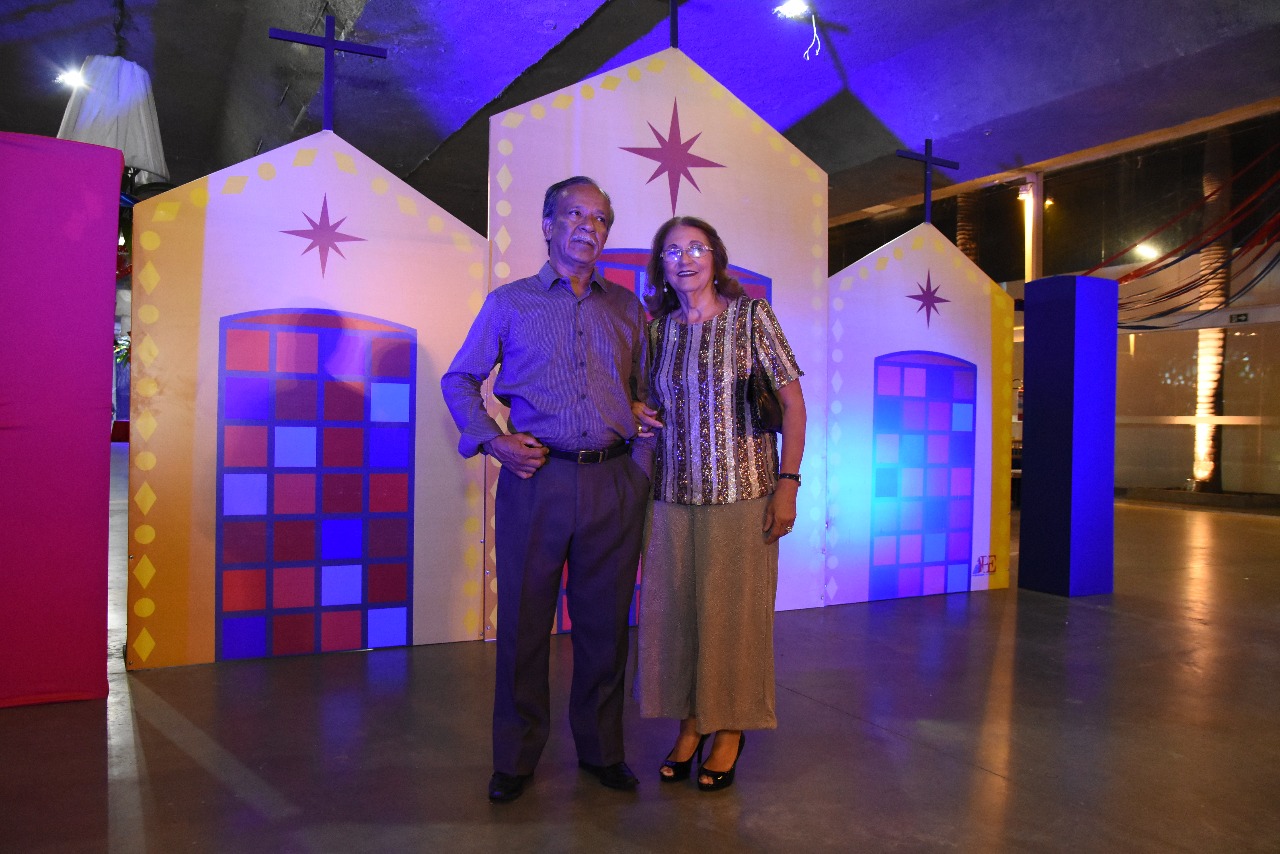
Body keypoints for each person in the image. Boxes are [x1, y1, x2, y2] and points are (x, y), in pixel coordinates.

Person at [441, 177, 652, 803]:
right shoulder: (509, 304)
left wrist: (639, 453)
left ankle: (602, 751)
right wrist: (493, 440)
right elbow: (460, 378)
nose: (589, 226)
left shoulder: (627, 308)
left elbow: (640, 391)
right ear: (547, 223)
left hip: (614, 483)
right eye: (575, 214)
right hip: (538, 480)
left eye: (601, 218)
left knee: (606, 627)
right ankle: (515, 758)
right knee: (525, 625)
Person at [633, 215, 806, 792]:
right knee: (676, 617)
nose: (685, 259)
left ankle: (729, 729)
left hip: (744, 494)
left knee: (735, 618)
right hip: (671, 497)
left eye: (696, 248)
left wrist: (788, 484)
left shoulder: (752, 317)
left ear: (716, 258)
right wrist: (635, 410)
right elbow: (645, 403)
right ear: (661, 266)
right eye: (673, 251)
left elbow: (794, 405)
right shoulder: (658, 332)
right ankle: (690, 724)